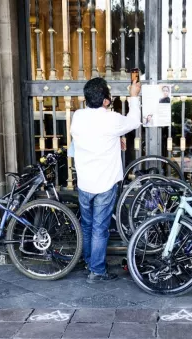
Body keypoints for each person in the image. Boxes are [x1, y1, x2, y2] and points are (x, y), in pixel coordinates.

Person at [70, 77, 141, 283]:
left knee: (87, 225)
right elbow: (134, 121)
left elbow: (91, 135)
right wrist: (133, 96)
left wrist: (115, 137)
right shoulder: (111, 119)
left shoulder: (78, 116)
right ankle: (97, 271)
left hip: (85, 182)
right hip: (104, 184)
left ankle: (90, 261)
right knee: (100, 229)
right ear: (106, 101)